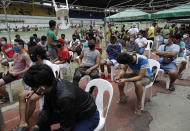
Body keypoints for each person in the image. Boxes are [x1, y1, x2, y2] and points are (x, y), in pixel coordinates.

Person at [23, 64, 99, 131]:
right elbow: (47, 108)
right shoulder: (50, 85)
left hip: (87, 117)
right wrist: (38, 125)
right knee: (43, 122)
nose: (32, 90)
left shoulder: (65, 97)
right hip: (71, 112)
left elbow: (67, 128)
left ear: (42, 87)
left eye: (33, 87)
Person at [16, 45, 56, 131]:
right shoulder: (32, 64)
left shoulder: (48, 65)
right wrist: (31, 90)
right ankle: (23, 122)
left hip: (45, 89)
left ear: (38, 55)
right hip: (34, 87)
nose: (30, 56)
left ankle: (24, 122)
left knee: (31, 99)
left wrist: (34, 92)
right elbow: (31, 79)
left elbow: (50, 83)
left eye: (31, 55)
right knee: (21, 96)